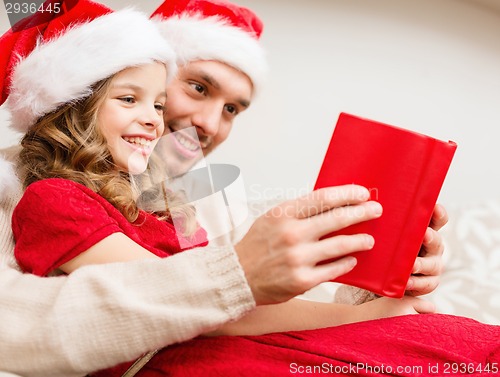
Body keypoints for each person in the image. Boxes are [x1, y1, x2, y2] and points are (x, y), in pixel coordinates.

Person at [0, 1, 447, 376]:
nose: (210, 125)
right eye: (196, 88)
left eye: (232, 109)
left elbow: (278, 306)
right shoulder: (35, 191)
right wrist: (356, 318)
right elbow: (24, 325)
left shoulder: (199, 204)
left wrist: (379, 272)